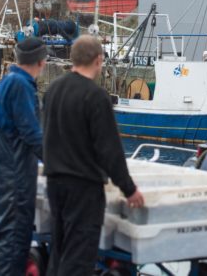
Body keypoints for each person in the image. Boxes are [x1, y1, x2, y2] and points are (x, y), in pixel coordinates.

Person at [43, 35, 144, 275]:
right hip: (83, 188)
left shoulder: (53, 90)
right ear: (99, 60)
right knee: (78, 256)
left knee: (59, 251)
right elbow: (109, 150)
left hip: (55, 183)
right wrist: (129, 189)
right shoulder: (96, 97)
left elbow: (44, 135)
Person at [0, 37, 48, 276]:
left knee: (2, 241)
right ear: (41, 62)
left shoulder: (3, 84)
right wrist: (59, 164)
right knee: (13, 246)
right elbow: (32, 134)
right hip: (14, 180)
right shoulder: (21, 86)